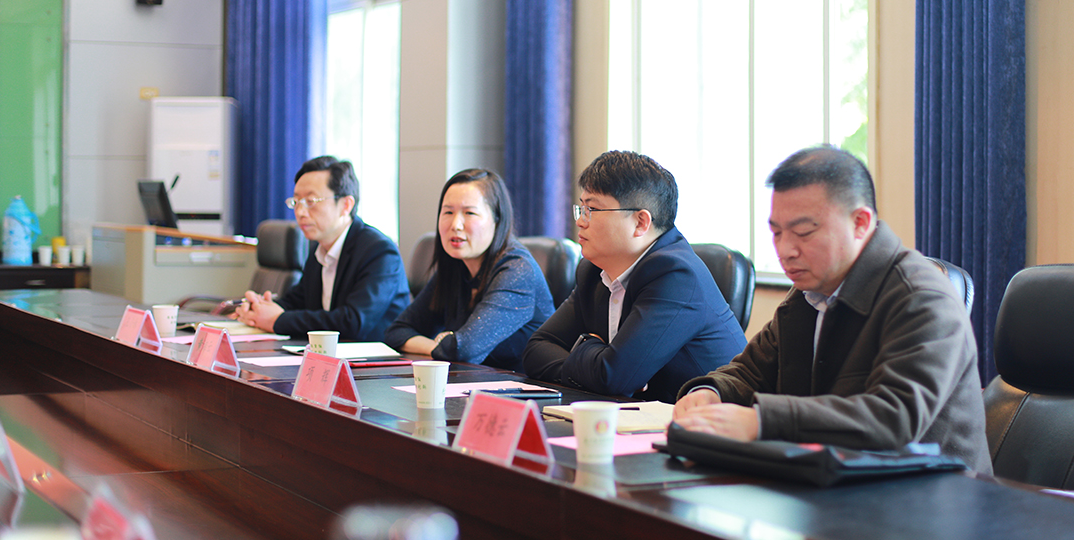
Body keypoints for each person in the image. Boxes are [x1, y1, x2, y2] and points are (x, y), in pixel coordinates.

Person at [673, 146, 992, 473]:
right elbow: (751, 371)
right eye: (776, 232)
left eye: (804, 232)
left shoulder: (922, 298)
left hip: (934, 493)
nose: (785, 250)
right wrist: (710, 392)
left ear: (860, 223)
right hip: (835, 479)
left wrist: (761, 421)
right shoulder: (810, 293)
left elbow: (892, 419)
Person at [522, 151, 747, 403]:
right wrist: (597, 360)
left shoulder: (676, 275)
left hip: (706, 420)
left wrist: (586, 349)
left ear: (641, 222)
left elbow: (614, 378)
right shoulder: (593, 271)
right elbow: (536, 349)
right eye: (581, 209)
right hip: (636, 415)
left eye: (592, 209)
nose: (581, 222)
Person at [384, 169, 555, 372]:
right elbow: (396, 332)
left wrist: (450, 346)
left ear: (497, 219)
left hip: (522, 387)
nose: (455, 225)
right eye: (448, 212)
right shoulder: (456, 265)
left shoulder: (517, 271)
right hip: (471, 382)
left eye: (469, 213)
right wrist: (441, 346)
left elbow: (465, 349)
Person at [234, 156, 409, 340]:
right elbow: (297, 301)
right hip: (329, 354)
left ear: (346, 205)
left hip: (376, 356)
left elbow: (353, 322)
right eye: (296, 202)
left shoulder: (379, 252)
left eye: (311, 201)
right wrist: (259, 309)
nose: (300, 212)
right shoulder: (320, 248)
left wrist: (277, 320)